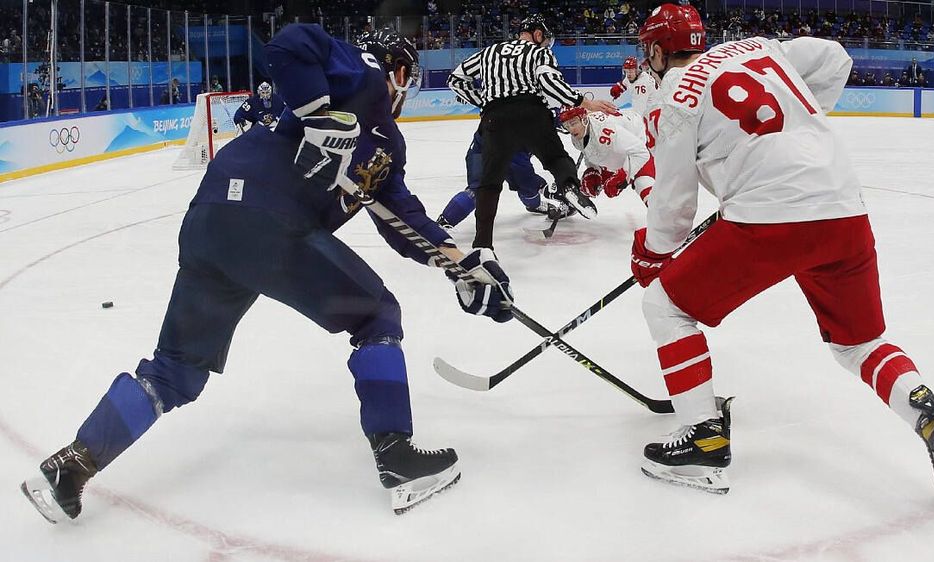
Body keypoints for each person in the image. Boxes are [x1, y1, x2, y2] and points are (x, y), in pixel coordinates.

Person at [20, 24, 515, 523]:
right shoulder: (361, 75)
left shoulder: (386, 146)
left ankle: (73, 465)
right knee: (377, 315)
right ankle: (398, 458)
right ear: (400, 71)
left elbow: (402, 220)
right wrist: (320, 117)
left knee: (176, 369)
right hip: (270, 222)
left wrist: (462, 266)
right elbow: (292, 42)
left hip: (212, 223)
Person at [630, 3, 934, 501]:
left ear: (657, 51)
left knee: (665, 305)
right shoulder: (757, 48)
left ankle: (703, 442)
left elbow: (674, 204)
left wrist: (652, 253)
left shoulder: (674, 96)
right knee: (858, 343)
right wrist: (796, 134)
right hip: (843, 206)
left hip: (769, 218)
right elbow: (836, 58)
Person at [447, 14, 617, 249]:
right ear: (537, 34)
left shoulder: (489, 52)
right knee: (556, 158)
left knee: (489, 184)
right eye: (544, 39)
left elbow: (455, 80)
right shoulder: (539, 53)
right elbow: (549, 81)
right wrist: (585, 102)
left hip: (495, 119)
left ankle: (482, 244)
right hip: (532, 113)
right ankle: (569, 187)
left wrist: (484, 101)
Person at [435, 129, 570, 230]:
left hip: (483, 143)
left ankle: (534, 205)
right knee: (481, 189)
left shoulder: (534, 115)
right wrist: (548, 189)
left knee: (482, 188)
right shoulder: (527, 127)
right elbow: (525, 177)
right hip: (493, 149)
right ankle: (444, 223)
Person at [559, 106, 654, 204]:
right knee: (592, 184)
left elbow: (641, 152)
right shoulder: (578, 136)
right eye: (566, 126)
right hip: (623, 152)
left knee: (645, 187)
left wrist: (624, 176)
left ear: (584, 119)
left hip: (642, 143)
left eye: (573, 123)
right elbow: (591, 151)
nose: (571, 129)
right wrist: (593, 169)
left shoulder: (606, 130)